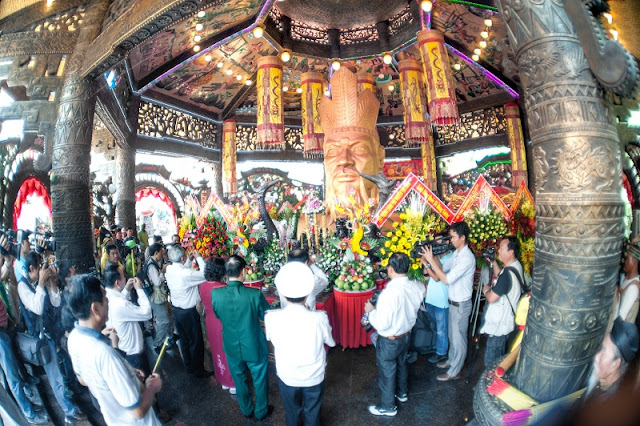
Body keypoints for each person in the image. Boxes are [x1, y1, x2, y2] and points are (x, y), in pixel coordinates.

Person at [66, 274, 163, 425]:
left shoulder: (74, 337)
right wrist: (151, 388)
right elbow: (137, 412)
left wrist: (126, 371)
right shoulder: (104, 354)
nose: (108, 301)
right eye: (105, 298)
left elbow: (83, 379)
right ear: (95, 309)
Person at [17, 251, 85, 424]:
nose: (43, 270)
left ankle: (71, 403)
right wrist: (41, 283)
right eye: (40, 267)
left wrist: (52, 283)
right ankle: (68, 411)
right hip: (42, 339)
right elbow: (37, 308)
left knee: (64, 372)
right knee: (55, 378)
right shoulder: (23, 286)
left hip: (55, 332)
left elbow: (56, 302)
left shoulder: (41, 283)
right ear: (32, 268)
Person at [266, 262, 335, 426]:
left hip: (287, 374)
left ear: (282, 293)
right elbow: (330, 342)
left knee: (292, 411)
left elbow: (270, 337)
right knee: (313, 410)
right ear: (308, 293)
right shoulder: (320, 318)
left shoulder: (271, 317)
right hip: (314, 375)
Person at [319, 67, 385, 223]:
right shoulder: (308, 227)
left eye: (358, 148)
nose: (344, 160)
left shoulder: (397, 228)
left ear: (380, 158)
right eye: (332, 151)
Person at [211, 255, 272, 421]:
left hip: (230, 344)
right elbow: (266, 315)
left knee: (239, 379)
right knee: (259, 379)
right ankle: (261, 410)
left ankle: (246, 409)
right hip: (253, 343)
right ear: (244, 272)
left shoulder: (216, 294)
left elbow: (218, 314)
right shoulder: (254, 294)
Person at [365, 252, 425, 417]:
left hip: (390, 340)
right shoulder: (416, 285)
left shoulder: (389, 294)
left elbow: (382, 323)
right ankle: (402, 393)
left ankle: (388, 406)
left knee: (387, 370)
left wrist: (370, 312)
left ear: (390, 269)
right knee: (402, 362)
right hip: (406, 335)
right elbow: (423, 291)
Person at [0, 238, 48, 424]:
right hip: (1, 335)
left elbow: (5, 273)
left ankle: (26, 408)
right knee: (12, 378)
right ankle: (29, 413)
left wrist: (7, 258)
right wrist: (7, 257)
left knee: (13, 375)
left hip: (6, 329)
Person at [421, 221, 476, 382]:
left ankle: (455, 371)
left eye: (452, 237)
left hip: (461, 305)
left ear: (462, 237)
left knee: (459, 340)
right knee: (453, 336)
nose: (450, 240)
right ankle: (451, 361)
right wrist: (431, 258)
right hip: (453, 302)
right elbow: (442, 268)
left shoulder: (467, 258)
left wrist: (431, 260)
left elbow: (446, 279)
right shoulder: (457, 254)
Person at [165, 245, 208, 377]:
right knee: (195, 341)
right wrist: (199, 258)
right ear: (182, 258)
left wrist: (188, 260)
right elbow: (206, 274)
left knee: (184, 340)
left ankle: (189, 366)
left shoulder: (169, 269)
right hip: (188, 312)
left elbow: (183, 268)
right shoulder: (185, 274)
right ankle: (198, 370)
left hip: (177, 311)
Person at [479, 236, 523, 367]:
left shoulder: (507, 274)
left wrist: (486, 290)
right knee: (499, 360)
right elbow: (502, 276)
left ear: (511, 252)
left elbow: (492, 297)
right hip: (506, 323)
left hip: (499, 327)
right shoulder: (515, 266)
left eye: (502, 248)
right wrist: (493, 262)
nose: (498, 251)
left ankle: (488, 386)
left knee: (491, 363)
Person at [103, 265, 153, 373]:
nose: (125, 277)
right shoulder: (120, 304)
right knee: (146, 386)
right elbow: (147, 313)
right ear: (117, 282)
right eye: (123, 276)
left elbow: (121, 307)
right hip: (133, 355)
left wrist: (126, 289)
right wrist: (139, 289)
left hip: (124, 351)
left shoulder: (107, 296)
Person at [200, 257, 236, 394]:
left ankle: (223, 380)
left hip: (210, 321)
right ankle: (232, 383)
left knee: (217, 351)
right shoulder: (223, 289)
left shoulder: (203, 286)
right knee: (228, 352)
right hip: (222, 323)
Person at [422, 239, 454, 364]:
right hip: (431, 297)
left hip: (442, 299)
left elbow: (436, 277)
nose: (437, 247)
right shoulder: (434, 257)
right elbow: (426, 275)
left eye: (440, 243)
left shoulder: (451, 259)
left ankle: (441, 352)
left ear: (447, 243)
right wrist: (426, 263)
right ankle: (436, 347)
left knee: (442, 329)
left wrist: (428, 262)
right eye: (435, 244)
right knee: (434, 327)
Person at [146, 243, 174, 353]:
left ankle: (171, 336)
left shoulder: (155, 262)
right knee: (164, 321)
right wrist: (162, 271)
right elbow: (157, 282)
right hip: (156, 297)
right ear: (156, 252)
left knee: (169, 316)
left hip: (161, 296)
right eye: (161, 252)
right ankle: (158, 343)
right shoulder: (152, 266)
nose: (162, 254)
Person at [617, 243, 640, 323]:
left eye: (627, 259)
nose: (625, 262)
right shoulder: (625, 278)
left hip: (621, 332)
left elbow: (621, 316)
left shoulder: (633, 287)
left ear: (634, 261)